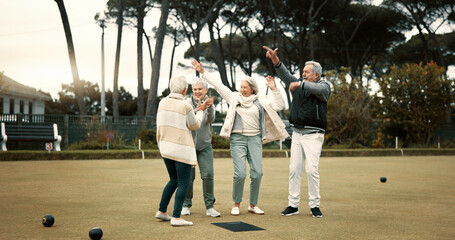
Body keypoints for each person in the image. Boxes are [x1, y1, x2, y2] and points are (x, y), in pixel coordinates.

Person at [191, 59, 289, 216]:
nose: (242, 89)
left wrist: (274, 89)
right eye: (241, 87)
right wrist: (203, 72)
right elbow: (219, 86)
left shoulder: (260, 101)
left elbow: (279, 106)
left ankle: (252, 205)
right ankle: (236, 204)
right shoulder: (234, 98)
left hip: (255, 139)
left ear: (252, 89)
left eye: (245, 87)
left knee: (257, 172)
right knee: (240, 173)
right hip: (237, 140)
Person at [263, 46, 331, 218]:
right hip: (297, 134)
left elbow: (319, 90)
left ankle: (314, 205)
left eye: (307, 72)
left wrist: (300, 83)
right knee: (294, 169)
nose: (303, 74)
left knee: (311, 170)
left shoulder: (324, 86)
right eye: (302, 71)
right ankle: (293, 205)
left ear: (316, 75)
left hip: (314, 135)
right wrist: (275, 60)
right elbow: (285, 75)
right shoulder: (298, 84)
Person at [155, 75, 210, 226]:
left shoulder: (162, 102)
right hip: (180, 150)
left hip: (165, 149)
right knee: (184, 182)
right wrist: (200, 110)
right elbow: (195, 125)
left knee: (173, 180)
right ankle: (176, 217)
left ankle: (162, 211)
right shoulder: (185, 105)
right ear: (185, 89)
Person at [180, 77, 221, 218]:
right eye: (195, 89)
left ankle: (210, 207)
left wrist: (208, 108)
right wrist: (196, 111)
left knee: (208, 175)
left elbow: (211, 120)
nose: (197, 92)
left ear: (205, 90)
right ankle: (186, 205)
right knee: (189, 178)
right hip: (188, 146)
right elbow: (185, 122)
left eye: (200, 89)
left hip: (205, 146)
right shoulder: (186, 103)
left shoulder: (210, 103)